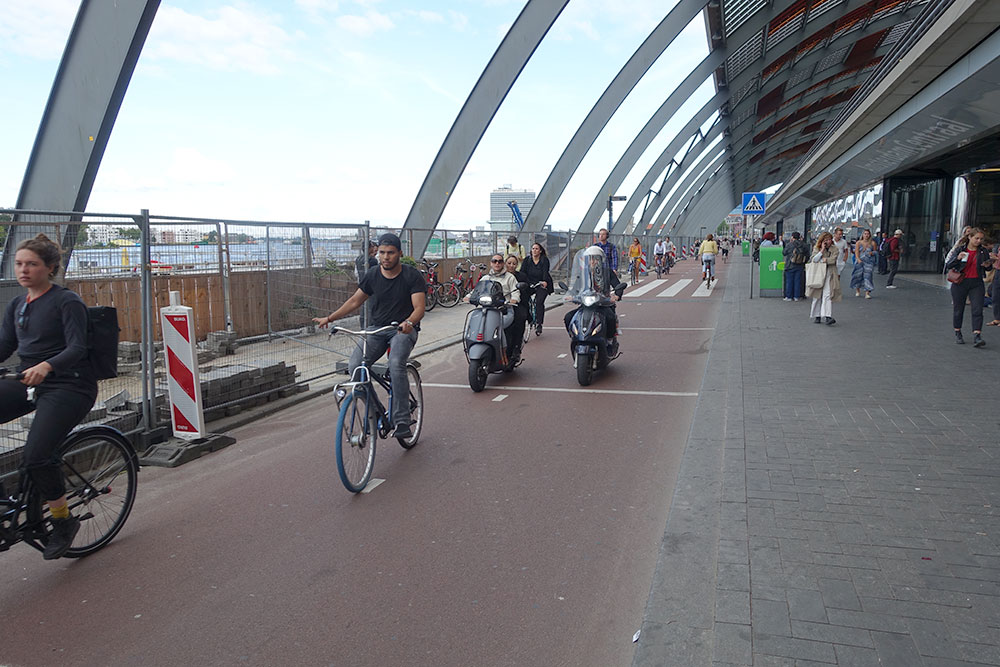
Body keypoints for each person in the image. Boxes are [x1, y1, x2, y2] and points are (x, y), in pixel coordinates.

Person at [0, 234, 98, 560]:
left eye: (32, 264)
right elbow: (6, 346)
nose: (23, 270)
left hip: (70, 385)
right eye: (19, 264)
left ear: (50, 267)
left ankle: (62, 520)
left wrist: (47, 365)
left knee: (36, 455)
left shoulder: (66, 301)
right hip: (28, 381)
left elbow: (77, 347)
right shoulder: (17, 305)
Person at [313, 233, 425, 439]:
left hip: (402, 330)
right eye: (382, 252)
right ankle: (375, 411)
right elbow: (355, 301)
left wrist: (409, 322)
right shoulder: (372, 275)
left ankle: (402, 420)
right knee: (355, 366)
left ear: (400, 253)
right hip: (377, 329)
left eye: (390, 253)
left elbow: (419, 307)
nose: (386, 257)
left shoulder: (411, 275)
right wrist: (329, 318)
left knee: (396, 363)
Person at [468, 253, 522, 361]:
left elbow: (516, 292)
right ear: (491, 263)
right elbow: (476, 291)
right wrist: (468, 297)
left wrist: (514, 299)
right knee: (472, 323)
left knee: (499, 325)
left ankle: (504, 353)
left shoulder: (509, 277)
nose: (497, 263)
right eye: (494, 261)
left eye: (500, 261)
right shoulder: (485, 278)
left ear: (503, 263)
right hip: (486, 310)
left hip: (504, 310)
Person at [944, 227, 993, 347]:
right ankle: (958, 332)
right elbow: (949, 265)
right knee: (958, 309)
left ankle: (977, 335)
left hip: (976, 282)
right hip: (960, 282)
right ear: (970, 237)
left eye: (981, 239)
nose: (978, 241)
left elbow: (988, 268)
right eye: (976, 238)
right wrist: (958, 258)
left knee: (977, 309)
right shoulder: (960, 249)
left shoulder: (983, 251)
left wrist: (987, 264)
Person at [563, 246, 621, 337]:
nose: (593, 261)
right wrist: (571, 295)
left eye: (596, 259)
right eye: (590, 259)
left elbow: (617, 285)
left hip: (603, 303)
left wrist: (616, 295)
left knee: (610, 318)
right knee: (568, 317)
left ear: (600, 260)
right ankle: (574, 336)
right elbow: (576, 287)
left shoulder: (607, 271)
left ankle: (610, 339)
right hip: (586, 304)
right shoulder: (583, 273)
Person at [807, 231, 841, 325]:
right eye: (826, 240)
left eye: (829, 239)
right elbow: (814, 259)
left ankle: (827, 316)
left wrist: (823, 260)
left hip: (830, 274)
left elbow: (833, 260)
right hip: (818, 273)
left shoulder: (835, 249)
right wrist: (822, 250)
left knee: (827, 294)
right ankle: (816, 315)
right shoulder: (817, 248)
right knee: (817, 294)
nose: (828, 242)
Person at [520, 242, 553, 335]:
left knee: (539, 302)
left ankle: (539, 323)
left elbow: (545, 272)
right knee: (523, 299)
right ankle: (528, 318)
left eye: (536, 249)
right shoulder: (527, 260)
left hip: (541, 283)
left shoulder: (544, 260)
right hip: (529, 283)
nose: (534, 250)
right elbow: (522, 272)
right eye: (533, 248)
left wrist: (544, 281)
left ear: (540, 251)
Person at [504, 255, 529, 357]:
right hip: (502, 305)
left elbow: (526, 292)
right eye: (509, 263)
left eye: (514, 264)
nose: (511, 266)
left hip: (517, 304)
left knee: (519, 319)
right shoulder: (500, 276)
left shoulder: (521, 276)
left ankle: (516, 347)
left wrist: (516, 299)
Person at [354, 240, 379, 328]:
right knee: (371, 308)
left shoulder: (358, 259)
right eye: (372, 246)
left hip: (362, 286)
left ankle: (363, 327)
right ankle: (371, 327)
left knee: (363, 308)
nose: (374, 248)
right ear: (369, 248)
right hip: (372, 288)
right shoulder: (372, 260)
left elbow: (356, 273)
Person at [850, 229, 878, 299]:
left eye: (868, 234)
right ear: (862, 235)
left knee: (868, 276)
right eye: (865, 234)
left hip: (869, 262)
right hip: (860, 261)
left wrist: (872, 253)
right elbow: (856, 252)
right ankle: (857, 290)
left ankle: (867, 292)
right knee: (858, 275)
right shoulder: (859, 243)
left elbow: (876, 252)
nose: (866, 235)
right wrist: (858, 259)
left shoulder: (873, 243)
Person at [782, 231, 809, 302]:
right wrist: (803, 262)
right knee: (798, 281)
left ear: (792, 237)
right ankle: (797, 296)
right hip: (800, 265)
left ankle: (789, 296)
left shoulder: (790, 244)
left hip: (790, 265)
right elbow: (807, 255)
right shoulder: (804, 245)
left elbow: (784, 253)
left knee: (789, 281)